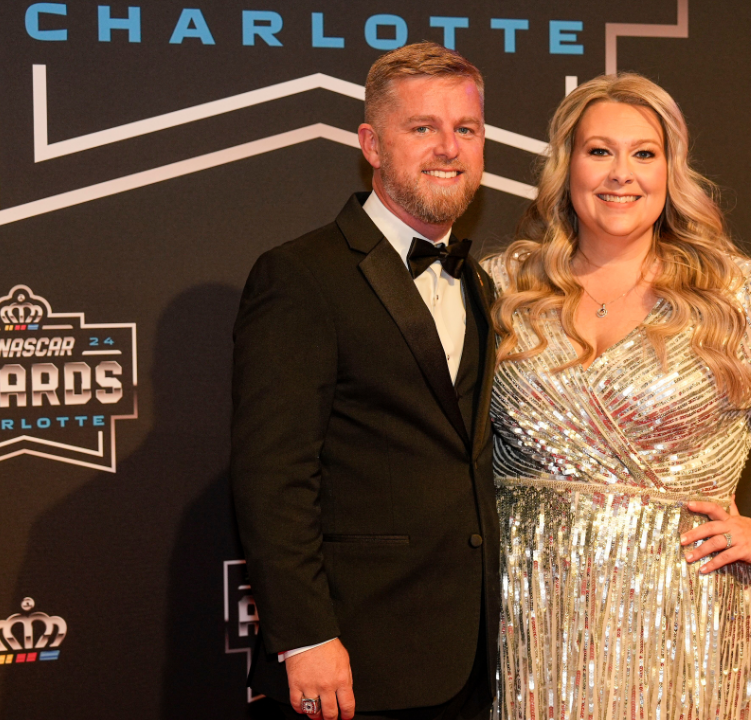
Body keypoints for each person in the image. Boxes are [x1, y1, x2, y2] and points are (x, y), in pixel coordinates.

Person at [484, 74, 751, 717]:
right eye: (599, 151)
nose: (621, 174)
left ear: (671, 171)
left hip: (686, 612)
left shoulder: (732, 292)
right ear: (566, 165)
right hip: (532, 616)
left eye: (644, 153)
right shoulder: (503, 286)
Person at [230, 43, 498, 720]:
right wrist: (307, 636)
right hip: (353, 659)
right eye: (422, 128)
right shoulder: (301, 275)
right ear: (372, 145)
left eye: (465, 129)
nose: (449, 147)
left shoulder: (480, 281)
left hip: (470, 655)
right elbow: (273, 475)